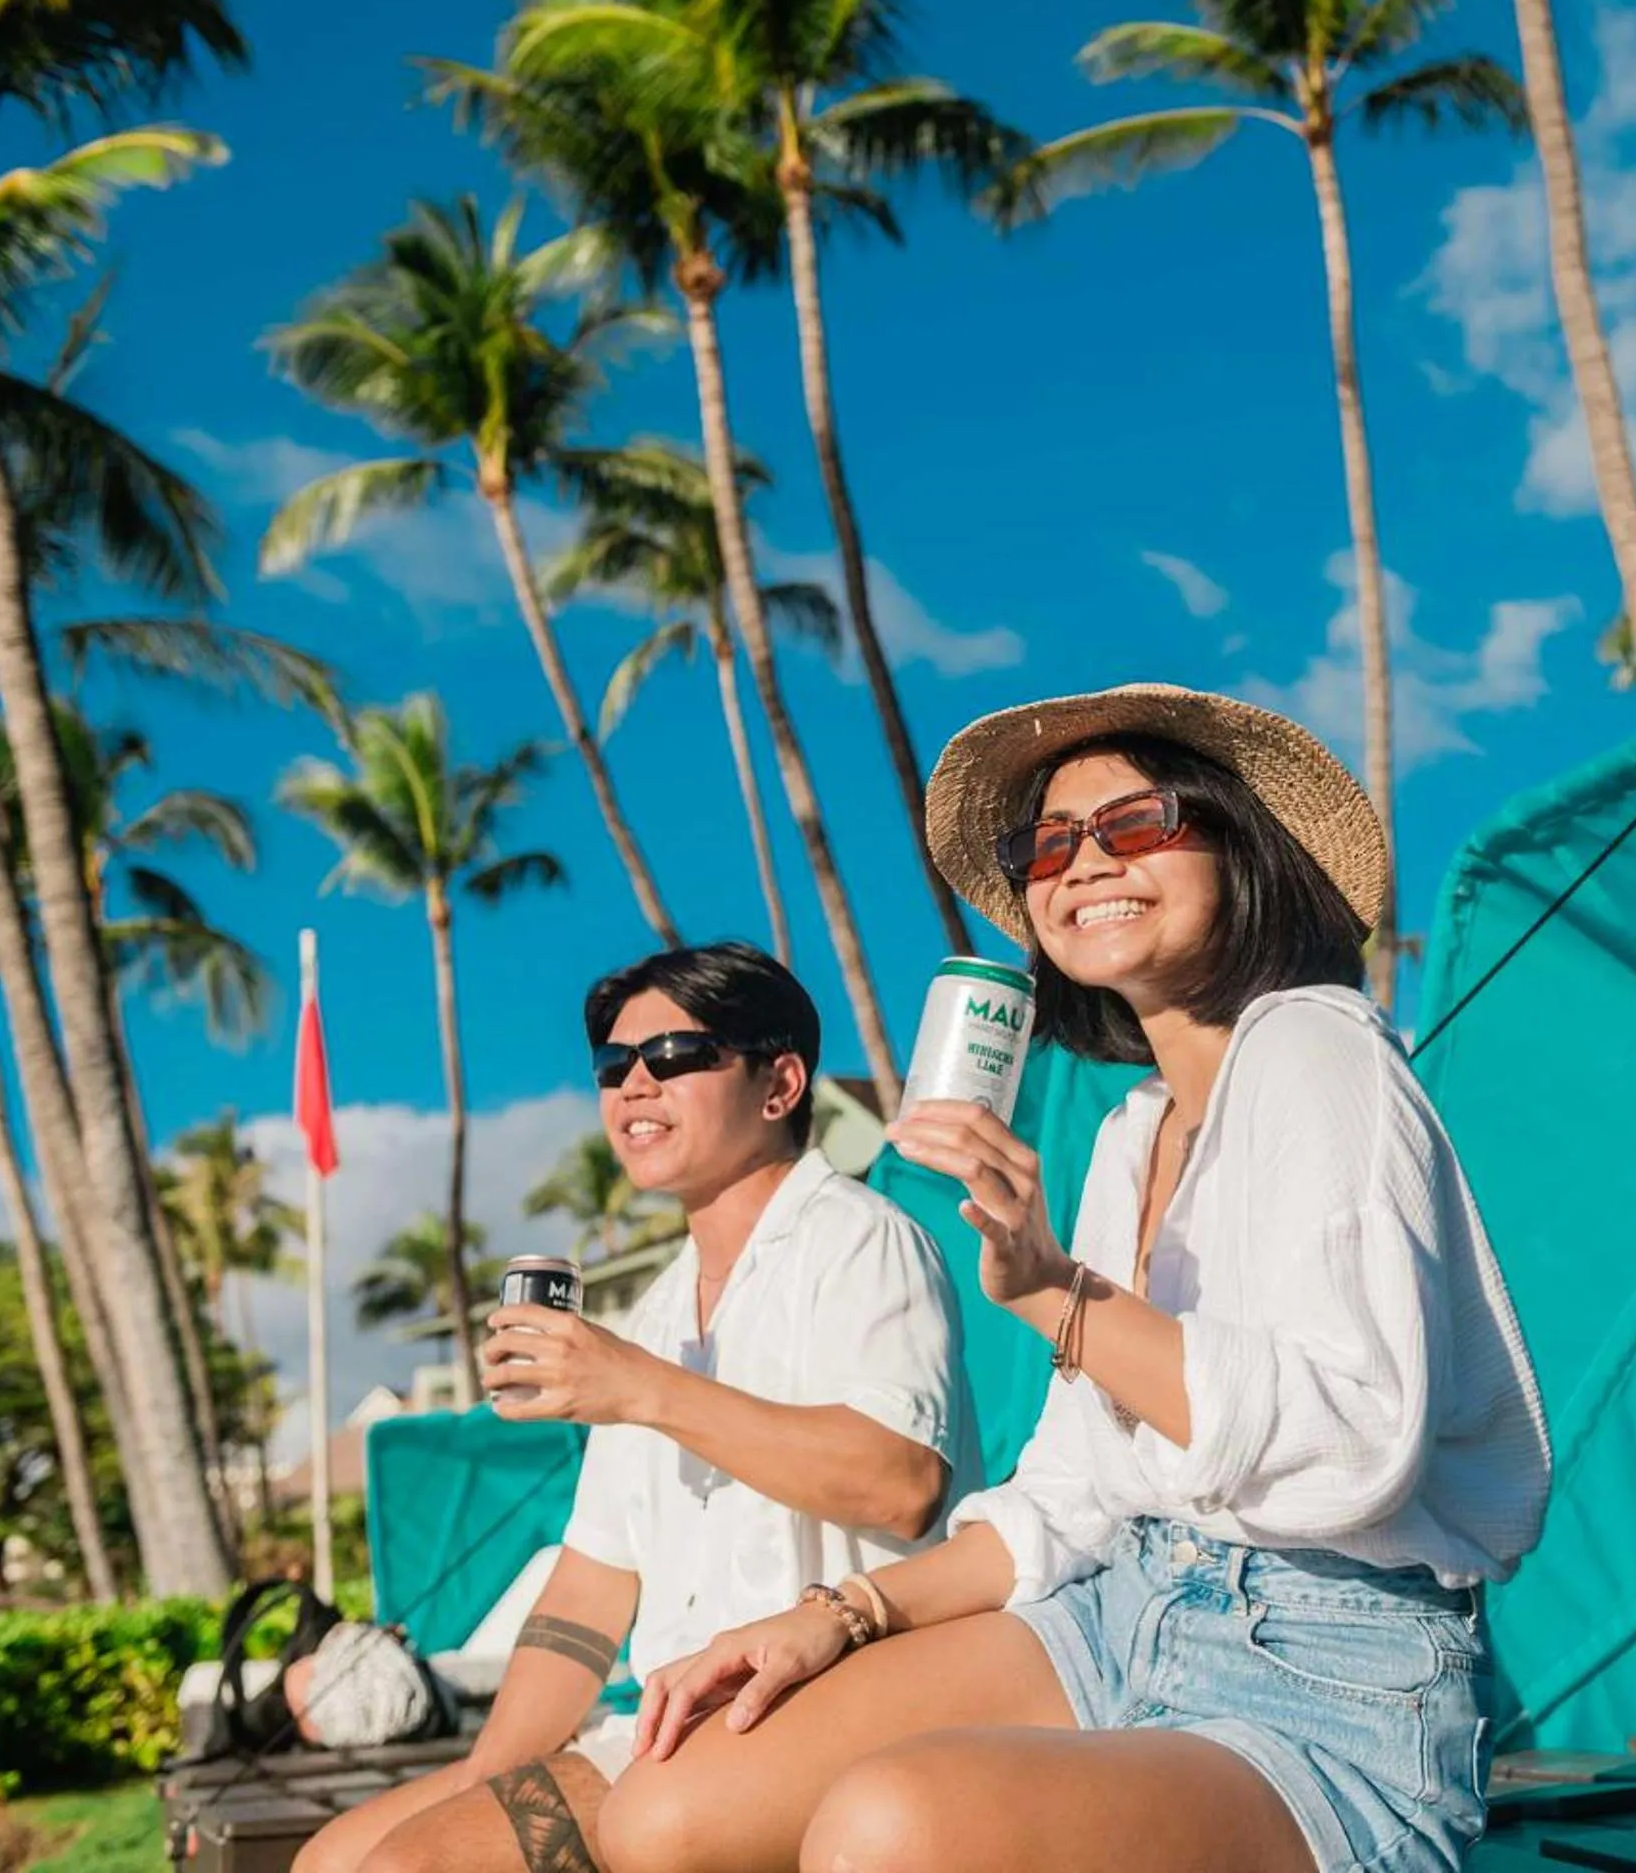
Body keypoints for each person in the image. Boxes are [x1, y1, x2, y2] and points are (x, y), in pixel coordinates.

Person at [600, 686, 1551, 1873]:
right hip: (1112, 1610)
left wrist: (1055, 1293)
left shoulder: (1320, 1049)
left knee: (890, 1829)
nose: (1081, 862)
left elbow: (1353, 1443)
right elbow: (1069, 1500)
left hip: (1326, 1669)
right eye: (1047, 843)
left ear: (1240, 843)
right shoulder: (1128, 1136)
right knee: (659, 1811)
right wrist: (832, 1618)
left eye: (1137, 823)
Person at [296, 942, 980, 1873]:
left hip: (828, 1696)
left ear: (780, 1084)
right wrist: (485, 1774)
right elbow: (586, 1593)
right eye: (615, 1069)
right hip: (671, 1723)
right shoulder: (659, 1310)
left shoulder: (862, 1242)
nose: (633, 1088)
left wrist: (642, 1390)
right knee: (335, 1858)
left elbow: (900, 1483)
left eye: (676, 1057)